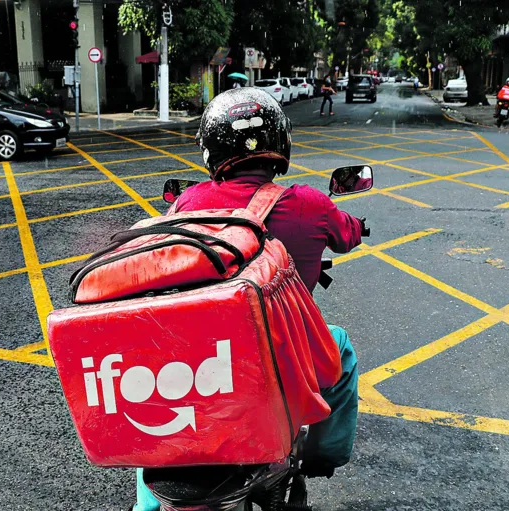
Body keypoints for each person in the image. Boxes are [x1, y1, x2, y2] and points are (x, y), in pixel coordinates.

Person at [134, 87, 365, 511]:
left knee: (160, 413)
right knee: (342, 349)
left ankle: (145, 506)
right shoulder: (309, 203)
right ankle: (321, 456)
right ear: (281, 146)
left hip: (202, 359)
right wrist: (353, 223)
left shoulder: (189, 202)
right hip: (283, 354)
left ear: (211, 149)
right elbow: (348, 234)